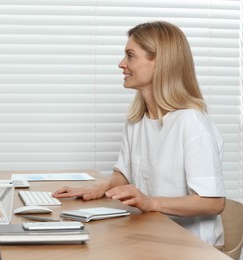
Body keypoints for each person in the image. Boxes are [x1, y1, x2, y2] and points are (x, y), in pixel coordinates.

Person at [52, 21, 225, 246]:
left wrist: (150, 202)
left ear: (160, 62)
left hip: (192, 246)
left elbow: (212, 203)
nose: (121, 64)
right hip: (153, 234)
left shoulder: (191, 122)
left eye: (130, 55)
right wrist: (97, 189)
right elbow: (124, 173)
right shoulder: (137, 119)